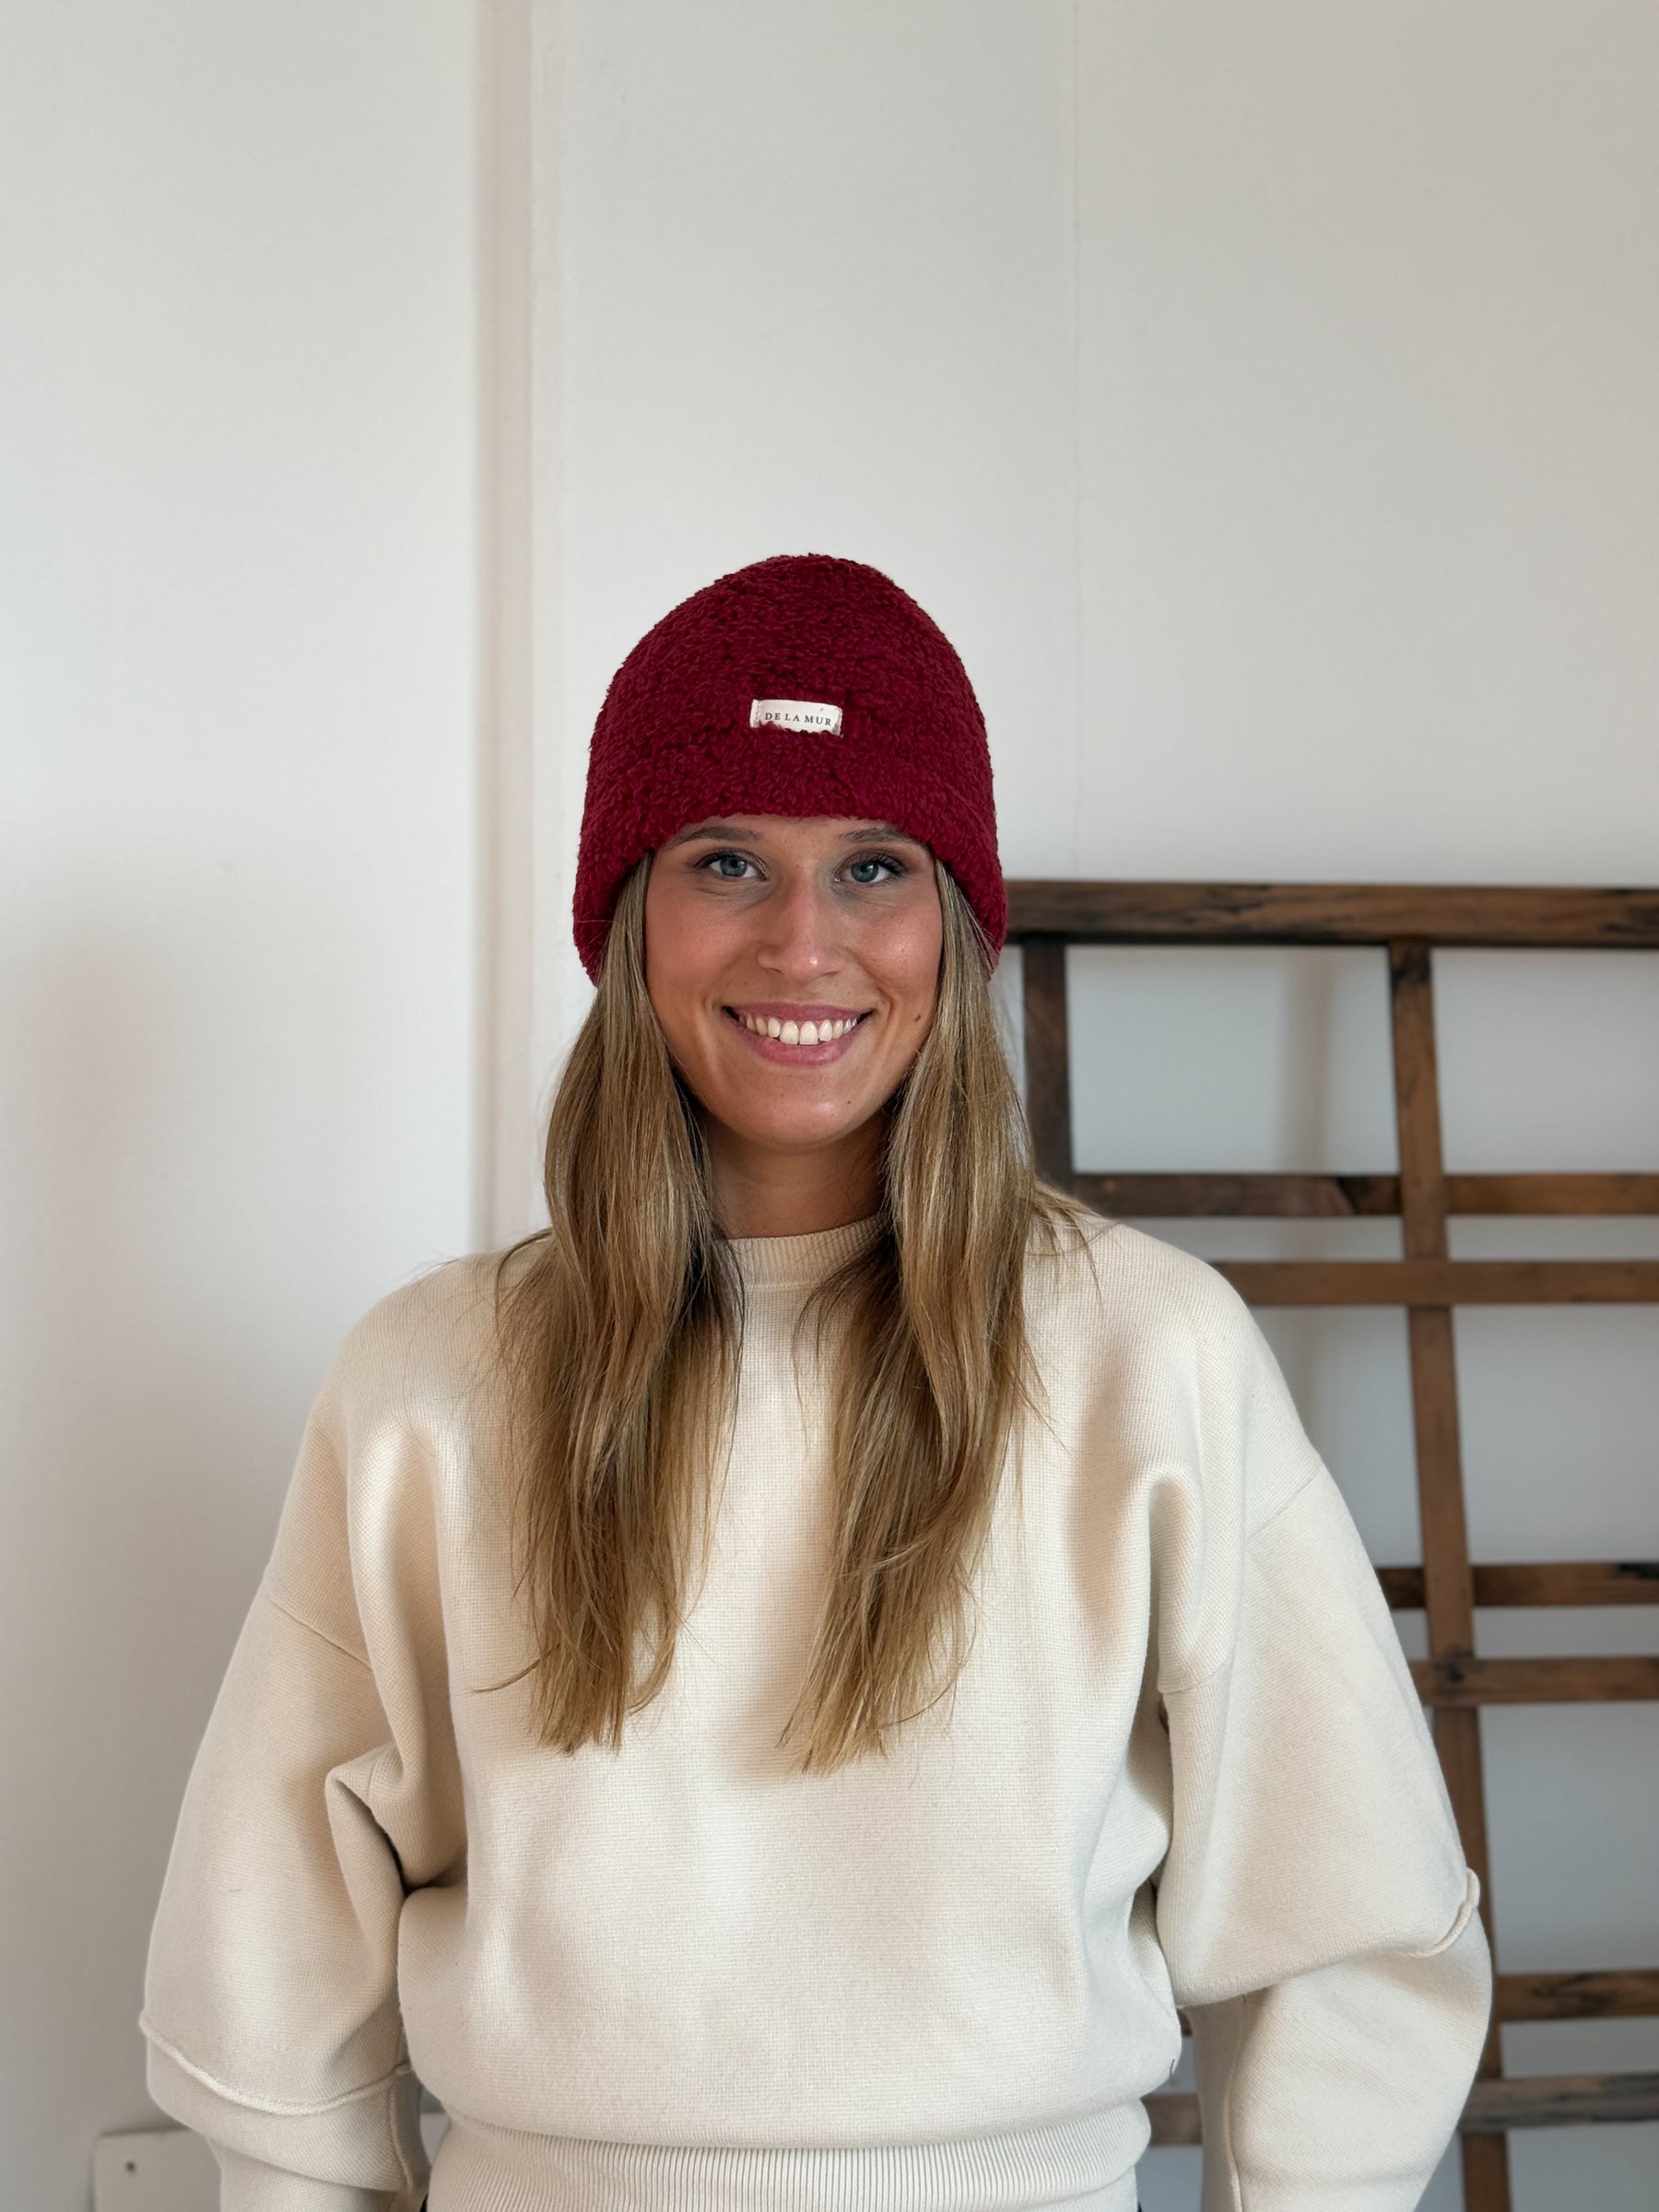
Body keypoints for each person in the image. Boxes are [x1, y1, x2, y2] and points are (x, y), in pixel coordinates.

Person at [140, 553, 1492, 2212]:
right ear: (631, 919)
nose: (803, 941)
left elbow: (1355, 1933)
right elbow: (270, 1960)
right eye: (728, 861)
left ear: (955, 924)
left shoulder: (1152, 1357)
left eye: (872, 865)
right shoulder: (430, 1381)